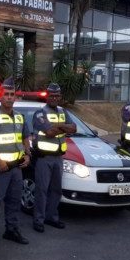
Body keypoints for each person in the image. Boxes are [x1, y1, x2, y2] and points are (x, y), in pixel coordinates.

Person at [0, 77, 32, 250]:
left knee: (14, 201)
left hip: (17, 167)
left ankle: (11, 230)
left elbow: (26, 137)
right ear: (0, 97)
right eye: (6, 94)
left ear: (15, 97)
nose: (9, 97)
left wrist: (27, 154)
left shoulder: (20, 117)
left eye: (12, 94)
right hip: (1, 168)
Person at [32, 83, 76, 231]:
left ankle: (52, 217)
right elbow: (49, 133)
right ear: (47, 96)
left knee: (56, 190)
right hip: (44, 158)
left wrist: (57, 127)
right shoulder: (40, 113)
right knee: (42, 190)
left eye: (57, 95)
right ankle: (39, 220)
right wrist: (64, 127)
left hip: (59, 157)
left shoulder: (64, 111)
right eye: (52, 95)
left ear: (60, 97)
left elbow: (74, 128)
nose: (55, 98)